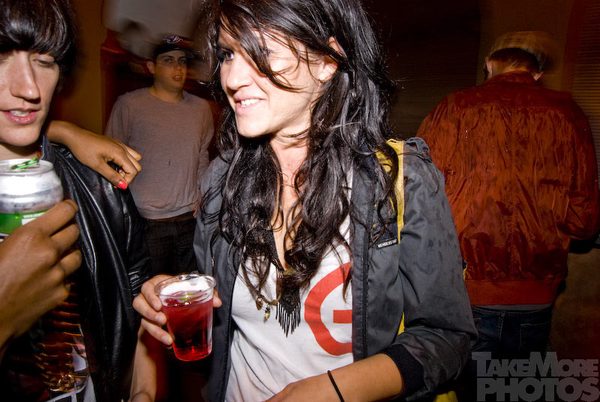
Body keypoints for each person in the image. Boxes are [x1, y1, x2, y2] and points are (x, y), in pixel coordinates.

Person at [133, 0, 476, 401]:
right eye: (228, 54)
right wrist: (175, 303)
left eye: (261, 51)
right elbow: (220, 317)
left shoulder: (401, 181)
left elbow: (446, 338)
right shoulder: (222, 179)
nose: (233, 78)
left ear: (327, 61)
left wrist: (333, 389)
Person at [417, 31, 600, 397]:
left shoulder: (455, 108)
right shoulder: (568, 113)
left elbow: (419, 199)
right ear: (537, 72)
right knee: (516, 389)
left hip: (466, 291)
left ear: (489, 64)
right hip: (536, 296)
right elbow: (584, 223)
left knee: (464, 387)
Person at [0, 1, 150, 401]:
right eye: (0, 56)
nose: (29, 88)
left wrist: (142, 390)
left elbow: (135, 301)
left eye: (45, 61)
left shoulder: (94, 182)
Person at [106, 34, 215, 277]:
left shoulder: (201, 109)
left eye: (182, 61)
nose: (178, 67)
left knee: (189, 290)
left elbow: (201, 155)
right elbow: (111, 157)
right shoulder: (130, 105)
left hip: (189, 219)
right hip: (147, 222)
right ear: (151, 67)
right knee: (151, 291)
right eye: (168, 60)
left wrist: (202, 194)